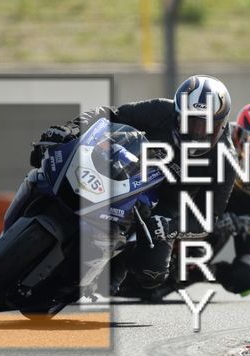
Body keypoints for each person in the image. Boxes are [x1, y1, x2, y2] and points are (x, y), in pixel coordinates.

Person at [32, 75, 236, 294]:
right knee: (51, 157)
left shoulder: (226, 159)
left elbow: (208, 218)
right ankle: (39, 194)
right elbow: (109, 114)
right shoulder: (160, 110)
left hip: (169, 202)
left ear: (222, 124)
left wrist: (170, 227)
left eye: (206, 126)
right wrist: (70, 128)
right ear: (177, 114)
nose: (196, 132)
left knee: (153, 273)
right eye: (190, 122)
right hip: (130, 172)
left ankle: (119, 262)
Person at [116, 101, 250, 301]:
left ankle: (196, 272)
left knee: (248, 274)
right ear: (243, 138)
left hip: (249, 217)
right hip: (212, 201)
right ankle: (153, 249)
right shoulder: (222, 142)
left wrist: (242, 223)